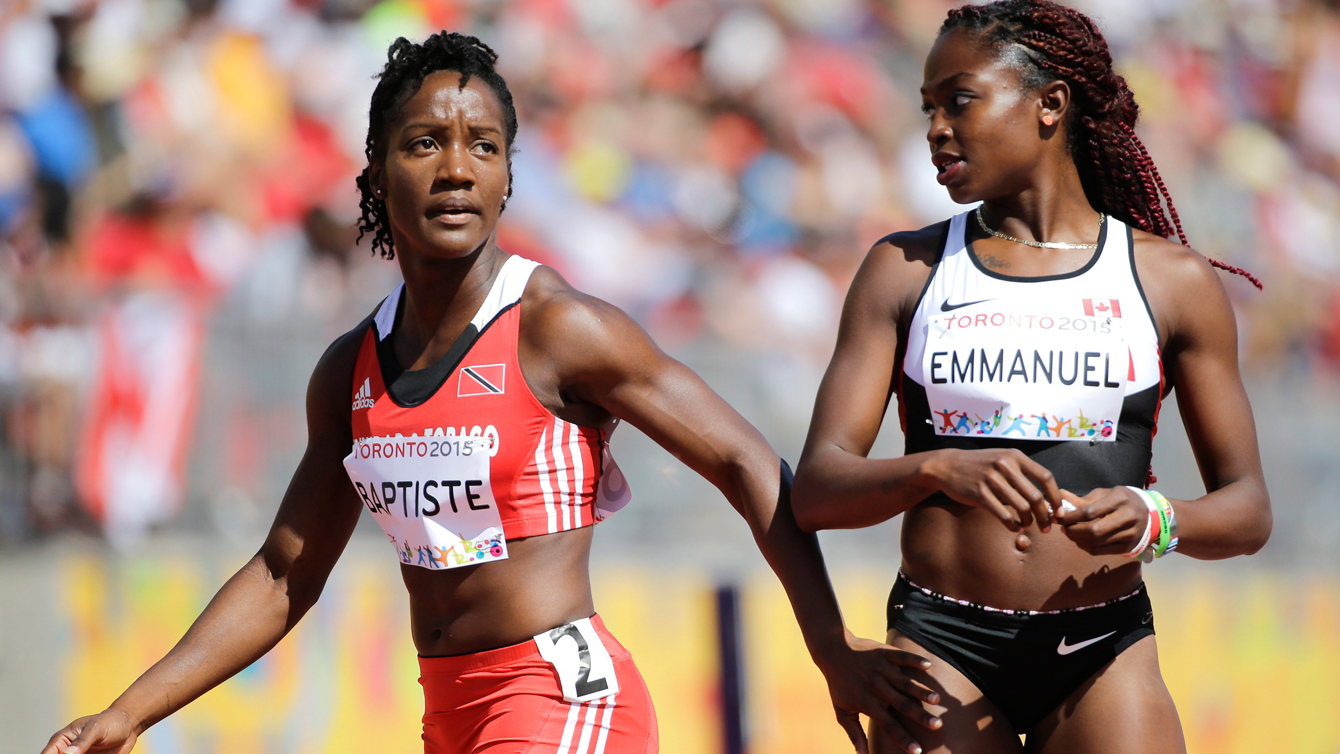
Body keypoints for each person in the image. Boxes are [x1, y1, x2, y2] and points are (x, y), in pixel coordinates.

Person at [41, 32, 927, 754]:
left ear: (508, 177)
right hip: (450, 715)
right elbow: (283, 573)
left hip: (563, 698)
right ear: (377, 172)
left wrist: (829, 644)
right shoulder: (350, 371)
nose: (457, 168)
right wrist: (128, 713)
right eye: (425, 143)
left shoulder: (558, 327)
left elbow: (743, 458)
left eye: (484, 146)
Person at [791, 2, 1272, 753]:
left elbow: (1247, 511)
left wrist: (1156, 516)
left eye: (960, 100)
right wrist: (937, 469)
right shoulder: (904, 269)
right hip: (940, 643)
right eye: (928, 108)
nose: (936, 129)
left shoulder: (1171, 281)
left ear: (1050, 103)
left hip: (1102, 645)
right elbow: (818, 490)